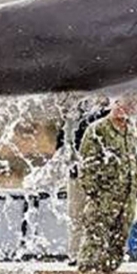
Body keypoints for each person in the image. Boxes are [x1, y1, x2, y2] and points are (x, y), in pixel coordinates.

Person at [77, 96, 137, 274]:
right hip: (104, 194)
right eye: (120, 103)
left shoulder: (131, 130)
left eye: (129, 104)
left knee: (119, 235)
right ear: (113, 104)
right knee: (96, 233)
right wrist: (94, 192)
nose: (124, 108)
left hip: (127, 194)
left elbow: (134, 159)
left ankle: (109, 273)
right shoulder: (97, 129)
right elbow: (86, 163)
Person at [55, 96, 110, 264]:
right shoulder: (69, 122)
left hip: (98, 175)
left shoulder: (104, 118)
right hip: (76, 175)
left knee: (98, 216)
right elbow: (60, 147)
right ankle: (75, 254)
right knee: (76, 215)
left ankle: (96, 253)